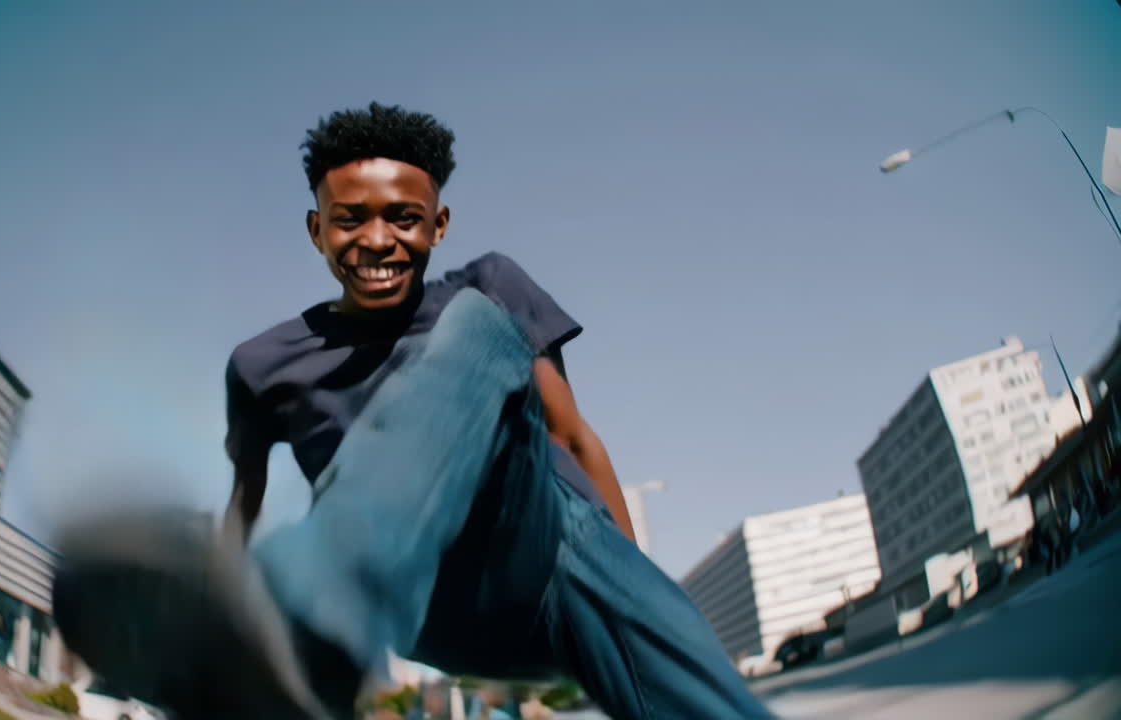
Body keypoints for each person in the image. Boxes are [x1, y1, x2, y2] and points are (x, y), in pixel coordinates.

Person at [51, 102, 772, 719]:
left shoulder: (486, 286)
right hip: (417, 605)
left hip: (550, 561)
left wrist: (633, 594)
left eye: (404, 218)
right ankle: (304, 639)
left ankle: (316, 627)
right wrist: (222, 624)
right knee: (440, 379)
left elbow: (572, 439)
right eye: (349, 220)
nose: (377, 241)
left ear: (438, 223)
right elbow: (243, 506)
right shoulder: (263, 365)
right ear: (316, 229)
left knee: (478, 324)